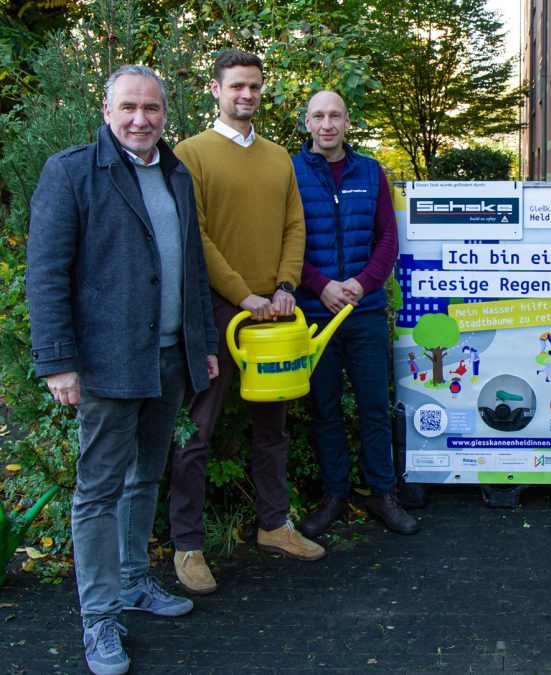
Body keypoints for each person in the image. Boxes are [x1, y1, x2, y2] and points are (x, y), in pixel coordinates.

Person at [26, 65, 218, 675]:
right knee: (99, 492)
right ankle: (100, 619)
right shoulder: (71, 171)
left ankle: (134, 583)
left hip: (168, 357)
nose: (142, 119)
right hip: (106, 363)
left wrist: (202, 342)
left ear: (166, 114)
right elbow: (47, 273)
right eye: (130, 107)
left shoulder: (176, 174)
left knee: (145, 477)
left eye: (153, 108)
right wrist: (58, 361)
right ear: (106, 110)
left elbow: (190, 267)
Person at [169, 50, 322, 596]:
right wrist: (244, 295)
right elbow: (197, 237)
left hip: (274, 314)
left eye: (255, 87)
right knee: (198, 430)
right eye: (237, 86)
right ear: (215, 89)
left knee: (272, 426)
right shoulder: (190, 155)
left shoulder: (279, 156)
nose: (247, 95)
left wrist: (283, 288)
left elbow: (294, 225)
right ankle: (187, 545)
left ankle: (273, 525)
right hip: (216, 312)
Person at [292, 90, 419, 538]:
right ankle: (334, 494)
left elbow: (387, 239)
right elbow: (283, 242)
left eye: (335, 116)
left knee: (374, 407)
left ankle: (383, 493)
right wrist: (319, 285)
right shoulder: (289, 172)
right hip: (312, 316)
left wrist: (362, 285)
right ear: (307, 122)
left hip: (363, 313)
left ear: (348, 122)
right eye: (318, 116)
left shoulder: (370, 171)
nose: (327, 124)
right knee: (323, 407)